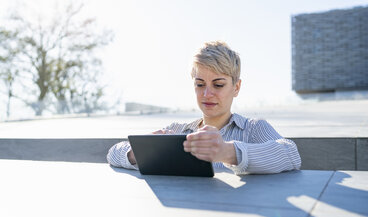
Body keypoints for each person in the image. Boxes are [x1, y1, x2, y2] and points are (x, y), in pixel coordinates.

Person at [107, 41, 301, 175]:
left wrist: (227, 152)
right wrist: (141, 152)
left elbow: (291, 154)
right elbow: (113, 153)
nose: (207, 94)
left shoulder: (252, 129)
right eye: (200, 84)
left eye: (218, 85)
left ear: (236, 87)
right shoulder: (178, 131)